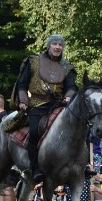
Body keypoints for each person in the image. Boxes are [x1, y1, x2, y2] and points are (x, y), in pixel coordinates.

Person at [14, 34, 77, 183]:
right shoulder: (33, 62)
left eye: (60, 45)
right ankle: (34, 168)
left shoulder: (67, 68)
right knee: (35, 130)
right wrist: (23, 101)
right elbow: (22, 85)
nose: (57, 47)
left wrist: (68, 96)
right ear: (49, 46)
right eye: (54, 44)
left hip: (59, 105)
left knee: (79, 127)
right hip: (37, 104)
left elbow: (71, 87)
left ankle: (79, 165)